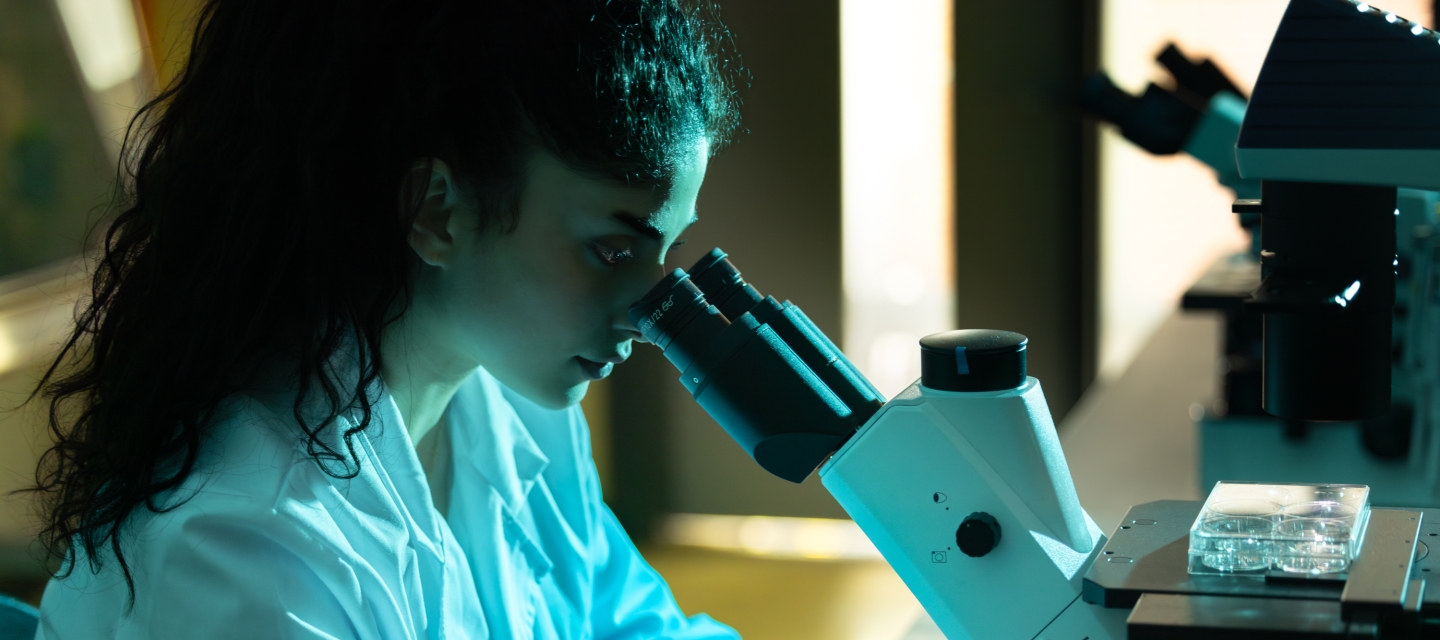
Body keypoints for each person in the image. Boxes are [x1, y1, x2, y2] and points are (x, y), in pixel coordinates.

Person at [28, 0, 743, 637]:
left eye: (667, 250)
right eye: (613, 250)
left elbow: (637, 625)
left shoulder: (522, 416)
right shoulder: (243, 550)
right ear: (435, 210)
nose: (647, 314)